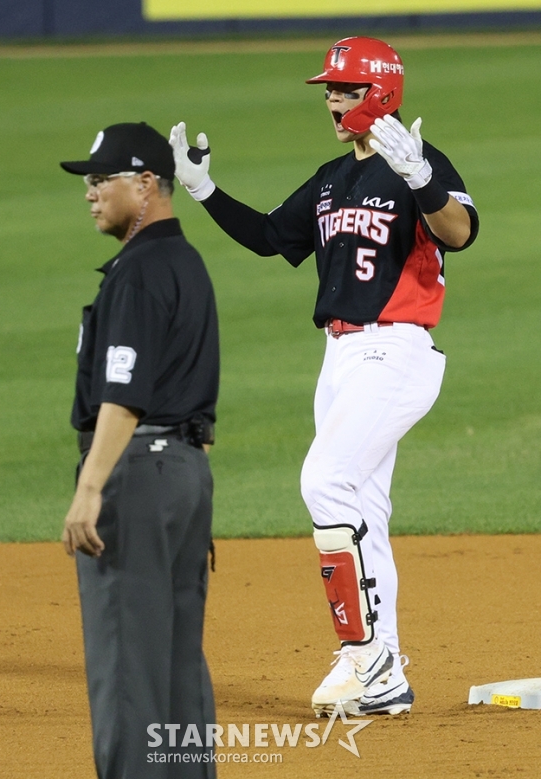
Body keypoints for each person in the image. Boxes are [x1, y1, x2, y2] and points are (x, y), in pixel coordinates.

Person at [169, 36, 478, 718]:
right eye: (330, 90)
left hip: (394, 352)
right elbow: (273, 237)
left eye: (346, 89)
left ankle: (364, 656)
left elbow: (458, 231)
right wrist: (204, 190)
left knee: (325, 480)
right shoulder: (332, 177)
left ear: (384, 92)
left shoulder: (419, 164)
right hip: (340, 359)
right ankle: (385, 673)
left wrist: (421, 175)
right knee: (364, 509)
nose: (333, 101)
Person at [60, 121, 219, 777]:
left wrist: (91, 487)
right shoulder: (186, 263)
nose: (90, 193)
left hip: (140, 475)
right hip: (185, 478)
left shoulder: (138, 272)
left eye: (103, 180)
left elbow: (123, 398)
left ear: (146, 184)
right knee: (179, 672)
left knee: (129, 668)